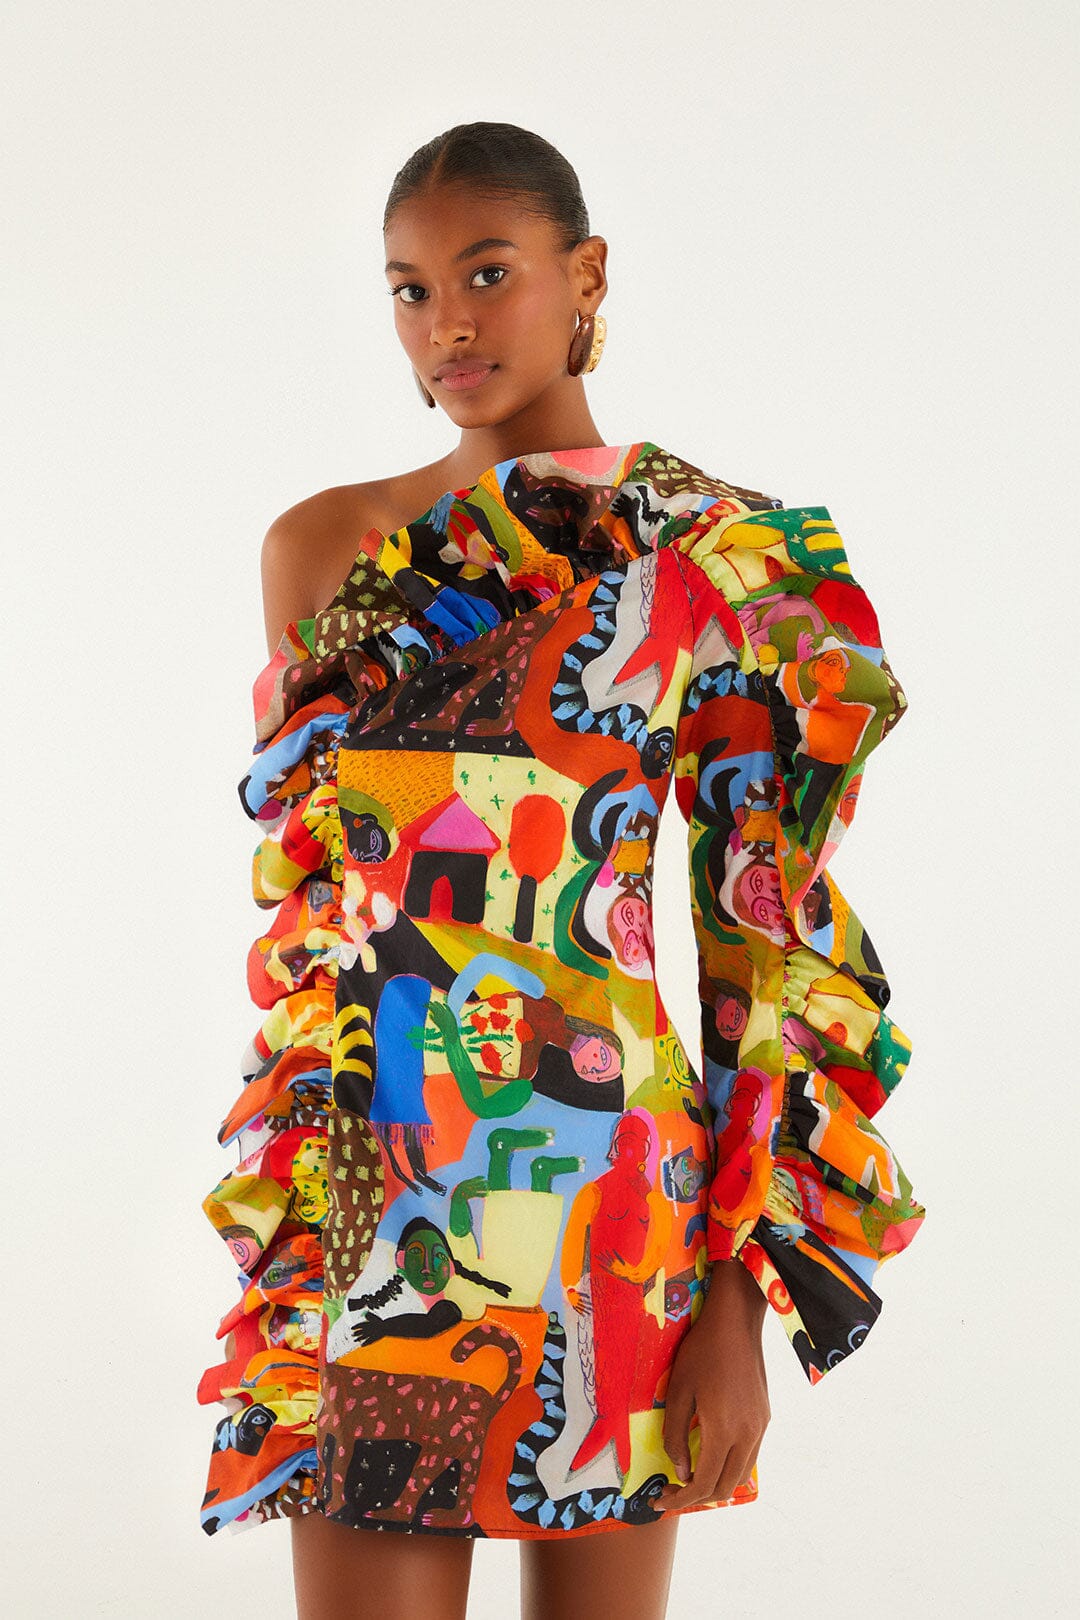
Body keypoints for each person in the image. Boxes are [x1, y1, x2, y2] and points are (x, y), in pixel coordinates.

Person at [196, 122, 926, 1620]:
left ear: (585, 274)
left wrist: (738, 1301)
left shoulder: (711, 560)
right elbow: (325, 927)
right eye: (409, 289)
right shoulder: (323, 550)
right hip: (377, 1206)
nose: (447, 325)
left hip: (620, 1225)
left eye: (488, 274)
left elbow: (767, 948)